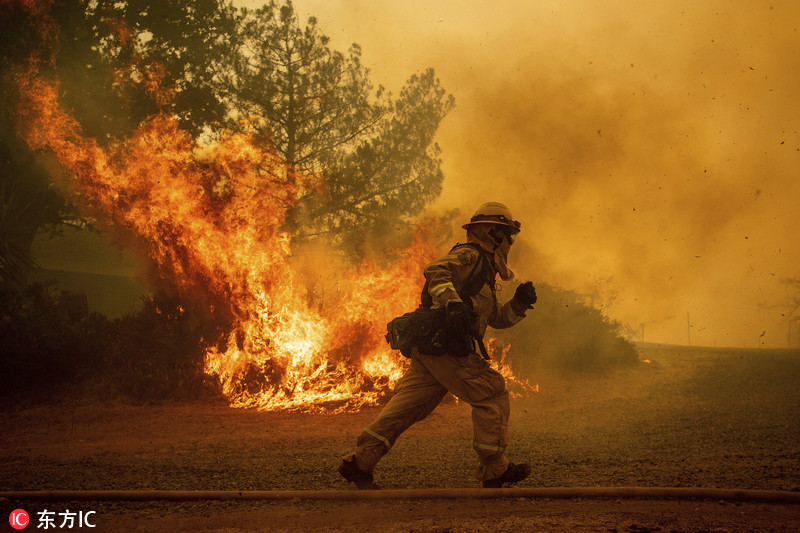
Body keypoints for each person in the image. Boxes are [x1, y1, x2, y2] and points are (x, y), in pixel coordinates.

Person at [339, 202, 538, 489]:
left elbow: (494, 318)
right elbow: (435, 271)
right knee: (491, 392)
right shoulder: (471, 256)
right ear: (493, 233)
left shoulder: (484, 271)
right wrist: (453, 304)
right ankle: (495, 469)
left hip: (432, 350)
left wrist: (519, 304)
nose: (509, 242)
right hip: (445, 347)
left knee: (409, 406)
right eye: (507, 234)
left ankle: (360, 462)